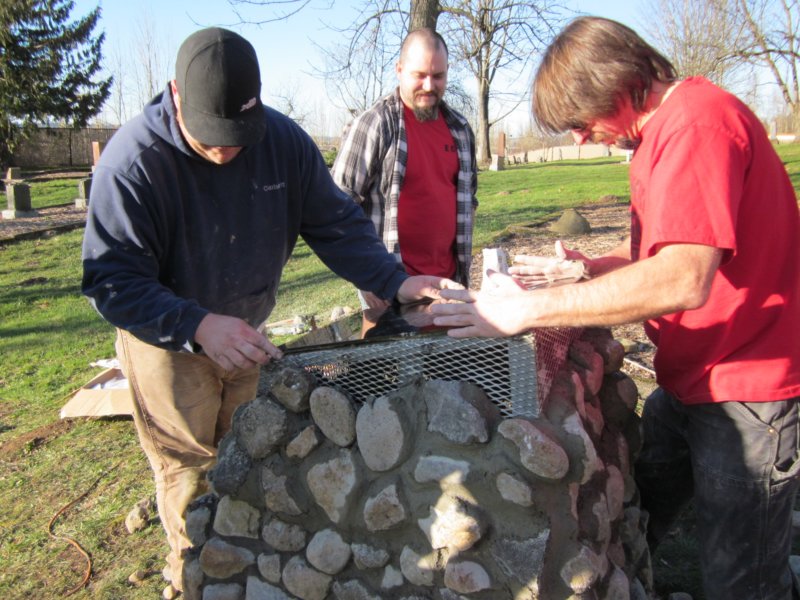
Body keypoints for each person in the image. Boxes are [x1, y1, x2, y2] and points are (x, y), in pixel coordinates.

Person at [431, 16, 800, 600]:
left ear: (619, 82)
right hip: (691, 381)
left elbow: (683, 276)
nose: (579, 138)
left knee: (744, 577)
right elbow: (670, 243)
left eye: (581, 121)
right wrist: (586, 269)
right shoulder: (661, 135)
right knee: (644, 504)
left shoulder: (698, 125)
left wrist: (528, 312)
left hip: (747, 388)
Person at [81, 27, 457, 597]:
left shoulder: (281, 143)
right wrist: (197, 325)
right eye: (212, 137)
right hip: (166, 341)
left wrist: (395, 281)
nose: (227, 149)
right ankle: (194, 574)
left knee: (247, 450)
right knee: (189, 468)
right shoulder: (133, 165)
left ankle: (244, 564)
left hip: (246, 329)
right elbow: (110, 279)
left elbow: (337, 226)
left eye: (239, 135)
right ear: (175, 95)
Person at [331, 27, 478, 330]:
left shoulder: (460, 130)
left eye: (438, 76)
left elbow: (467, 201)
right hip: (388, 293)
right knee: (384, 377)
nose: (429, 85)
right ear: (399, 70)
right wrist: (367, 278)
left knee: (448, 375)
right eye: (419, 74)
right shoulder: (374, 124)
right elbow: (335, 207)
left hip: (446, 287)